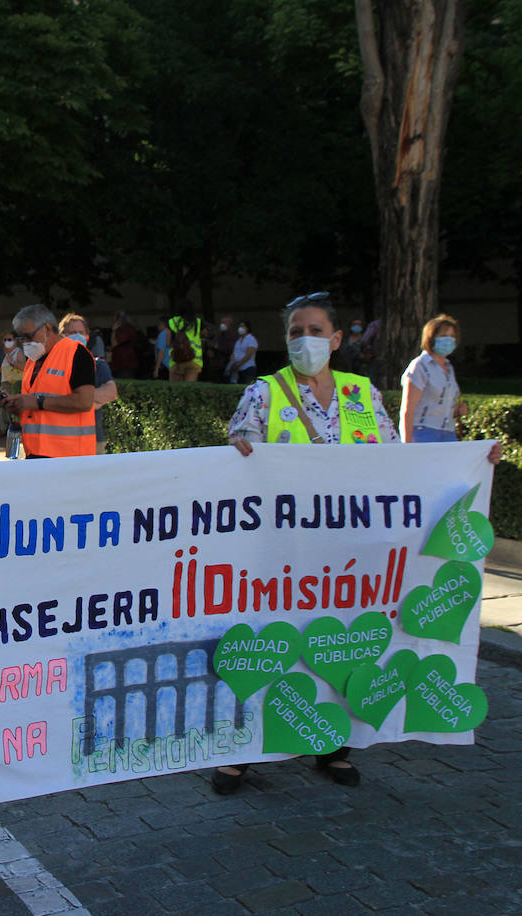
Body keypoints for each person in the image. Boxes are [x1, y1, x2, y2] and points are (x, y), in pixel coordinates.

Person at [220, 291, 400, 793]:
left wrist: (470, 462)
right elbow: (236, 455)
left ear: (336, 340)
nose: (305, 340)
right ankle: (243, 750)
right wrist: (235, 448)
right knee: (268, 642)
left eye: (315, 331)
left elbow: (399, 462)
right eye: (296, 332)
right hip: (282, 551)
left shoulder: (362, 394)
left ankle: (332, 745)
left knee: (336, 642)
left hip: (346, 554)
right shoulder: (263, 393)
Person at [1, 304, 96, 459]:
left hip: (69, 457)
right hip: (36, 453)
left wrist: (37, 402)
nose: (25, 342)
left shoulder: (77, 353)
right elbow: (37, 407)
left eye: (28, 336)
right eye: (22, 338)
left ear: (46, 329)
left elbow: (84, 401)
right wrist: (18, 406)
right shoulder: (33, 361)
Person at [401, 315, 469, 443]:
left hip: (449, 433)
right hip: (423, 432)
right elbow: (407, 410)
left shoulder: (449, 367)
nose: (449, 340)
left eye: (452, 336)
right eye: (443, 336)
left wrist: (457, 411)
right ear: (431, 338)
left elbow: (438, 406)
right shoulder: (420, 366)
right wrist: (407, 445)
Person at [58, 313, 119, 454]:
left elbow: (111, 392)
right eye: (72, 332)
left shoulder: (98, 365)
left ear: (87, 336)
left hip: (94, 441)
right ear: (62, 336)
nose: (77, 336)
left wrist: (77, 400)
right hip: (62, 441)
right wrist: (92, 402)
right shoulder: (55, 366)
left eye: (81, 332)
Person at [167, 301, 204, 382]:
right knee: (189, 387)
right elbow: (205, 335)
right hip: (194, 359)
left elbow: (168, 343)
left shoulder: (171, 322)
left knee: (175, 388)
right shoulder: (197, 322)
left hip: (176, 358)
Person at [211, 315, 237, 383]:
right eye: (221, 322)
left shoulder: (232, 335)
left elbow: (230, 349)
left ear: (230, 324)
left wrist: (217, 347)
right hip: (218, 364)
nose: (222, 324)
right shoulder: (220, 335)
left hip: (227, 362)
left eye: (224, 323)